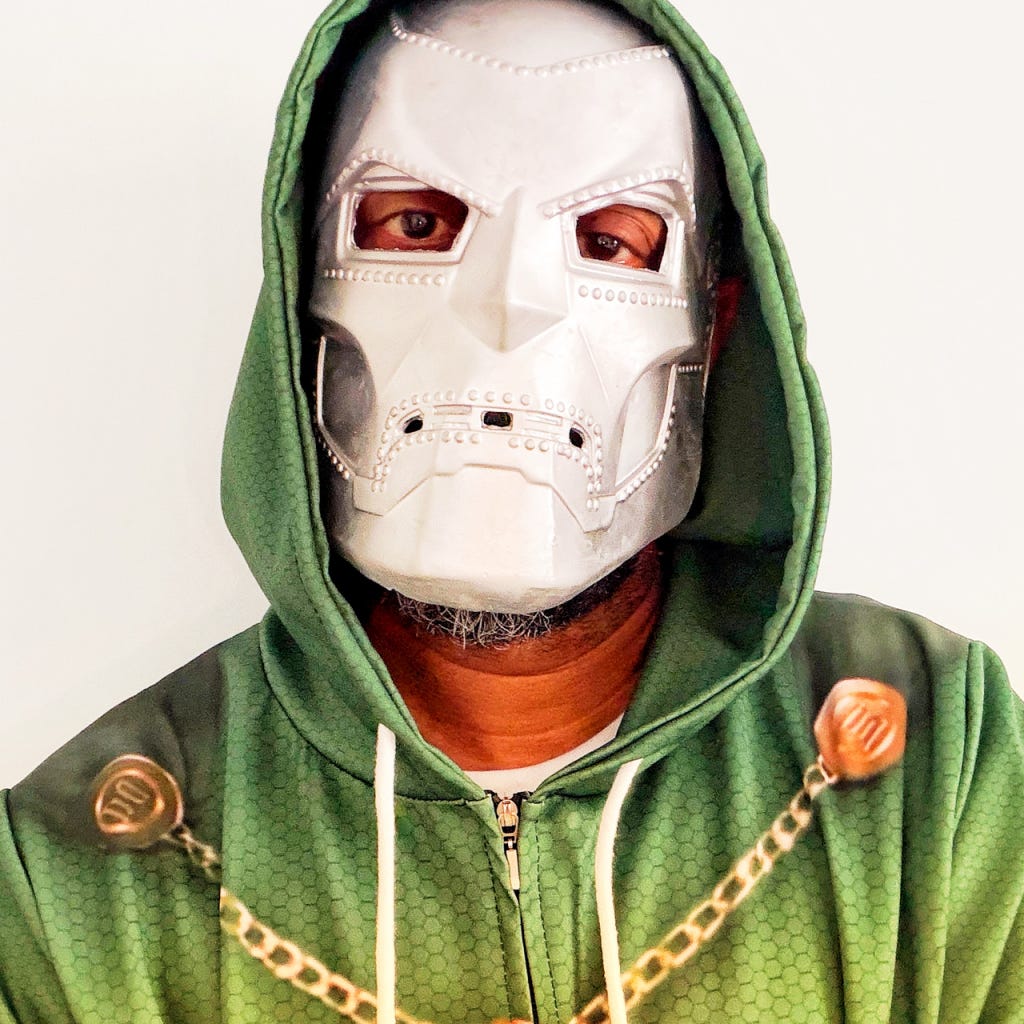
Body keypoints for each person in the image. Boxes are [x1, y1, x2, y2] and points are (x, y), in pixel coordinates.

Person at [1, 2, 1021, 1023]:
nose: (507, 308)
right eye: (417, 224)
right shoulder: (76, 871)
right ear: (301, 291)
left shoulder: (932, 758)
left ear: (711, 326)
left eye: (608, 241)